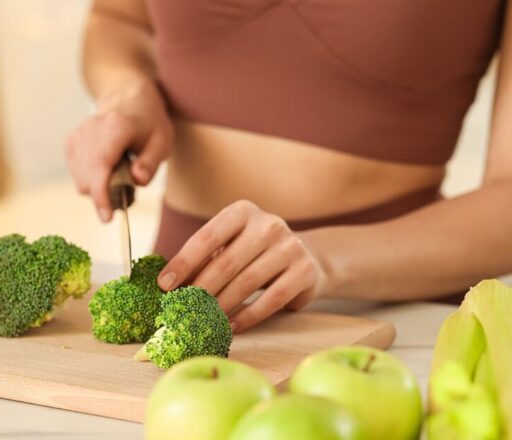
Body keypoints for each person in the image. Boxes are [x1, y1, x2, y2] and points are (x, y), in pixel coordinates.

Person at [64, 0, 512, 333]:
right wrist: (127, 93)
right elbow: (120, 19)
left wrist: (323, 260)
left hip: (391, 321)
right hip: (178, 302)